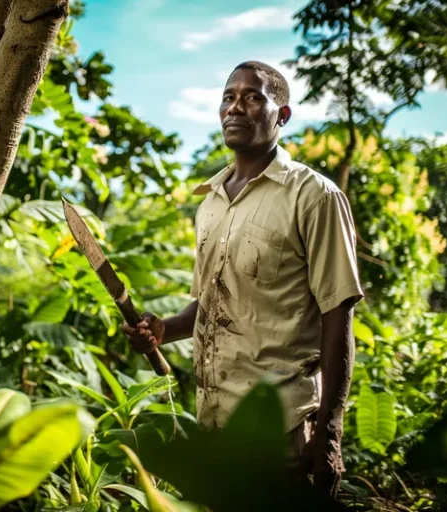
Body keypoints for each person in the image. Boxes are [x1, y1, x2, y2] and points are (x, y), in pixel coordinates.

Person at [121, 61, 363, 498]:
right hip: (214, 419)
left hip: (281, 425)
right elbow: (211, 303)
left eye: (253, 97)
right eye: (228, 97)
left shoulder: (314, 197)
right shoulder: (210, 202)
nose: (236, 107)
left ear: (281, 115)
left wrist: (329, 432)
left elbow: (337, 314)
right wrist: (164, 330)